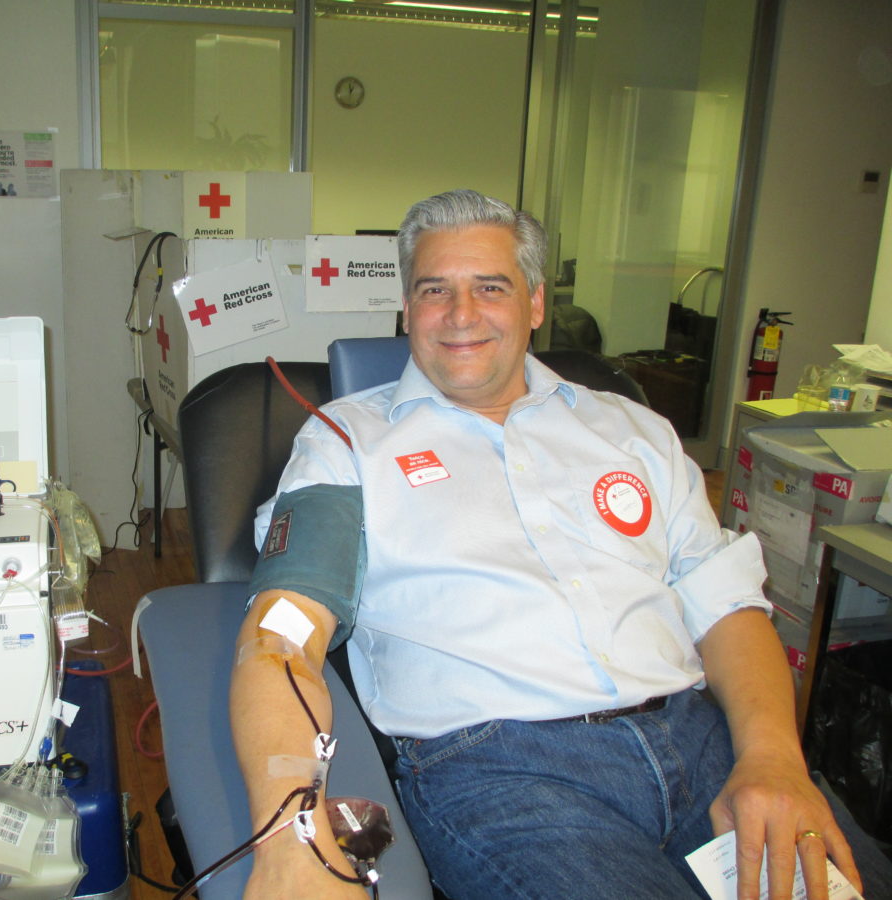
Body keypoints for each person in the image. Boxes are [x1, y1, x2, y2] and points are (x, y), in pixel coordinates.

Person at [230, 190, 892, 900]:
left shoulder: (634, 431)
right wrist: (289, 837)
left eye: (491, 287)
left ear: (536, 304)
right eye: (435, 290)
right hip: (504, 773)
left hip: (703, 741)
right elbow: (282, 636)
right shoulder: (347, 443)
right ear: (407, 305)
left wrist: (772, 759)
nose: (461, 314)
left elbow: (728, 605)